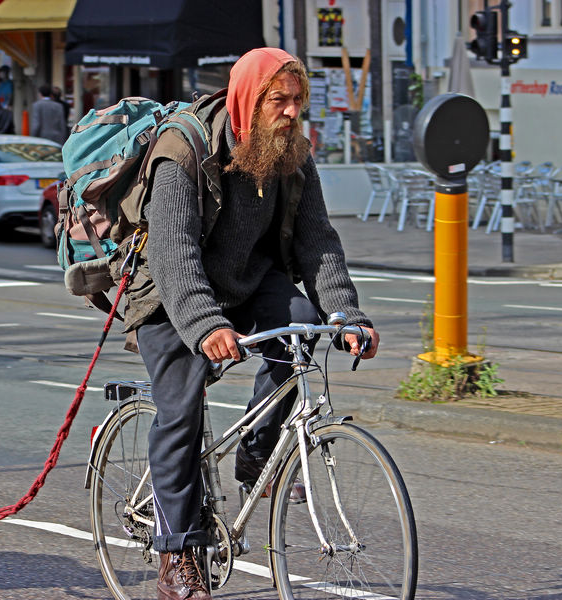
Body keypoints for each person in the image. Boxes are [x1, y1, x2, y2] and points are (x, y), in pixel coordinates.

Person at [120, 47, 380, 599]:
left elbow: (318, 242)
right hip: (170, 295)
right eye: (277, 100)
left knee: (305, 325)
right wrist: (205, 325)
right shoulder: (182, 152)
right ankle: (177, 555)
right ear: (247, 100)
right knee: (181, 411)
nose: (290, 112)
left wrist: (348, 314)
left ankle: (256, 449)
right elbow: (174, 253)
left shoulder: (292, 154)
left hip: (244, 280)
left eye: (297, 101)